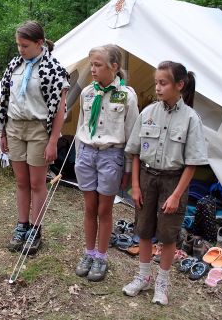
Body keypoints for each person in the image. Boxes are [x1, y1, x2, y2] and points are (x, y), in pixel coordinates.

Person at [122, 61, 208, 305]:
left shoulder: (191, 119)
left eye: (163, 83)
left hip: (174, 181)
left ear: (179, 85)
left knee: (168, 235)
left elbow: (192, 163)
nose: (157, 87)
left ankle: (162, 282)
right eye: (156, 82)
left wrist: (177, 195)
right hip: (147, 179)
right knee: (144, 230)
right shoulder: (147, 112)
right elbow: (136, 152)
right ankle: (143, 277)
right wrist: (136, 186)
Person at [0, 21, 70, 255]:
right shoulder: (15, 65)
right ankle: (22, 225)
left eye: (25, 45)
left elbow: (60, 109)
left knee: (37, 182)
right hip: (15, 127)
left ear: (40, 43)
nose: (20, 50)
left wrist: (52, 141)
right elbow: (5, 99)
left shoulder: (53, 70)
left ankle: (36, 229)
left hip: (39, 129)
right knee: (21, 181)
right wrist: (2, 132)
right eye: (18, 45)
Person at [73, 45, 139, 282]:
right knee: (90, 207)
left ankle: (101, 256)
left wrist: (129, 168)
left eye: (98, 65)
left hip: (111, 155)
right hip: (87, 154)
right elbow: (82, 124)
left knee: (104, 209)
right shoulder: (87, 93)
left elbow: (132, 135)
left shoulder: (126, 95)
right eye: (91, 64)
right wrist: (80, 156)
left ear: (114, 67)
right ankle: (89, 252)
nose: (92, 69)